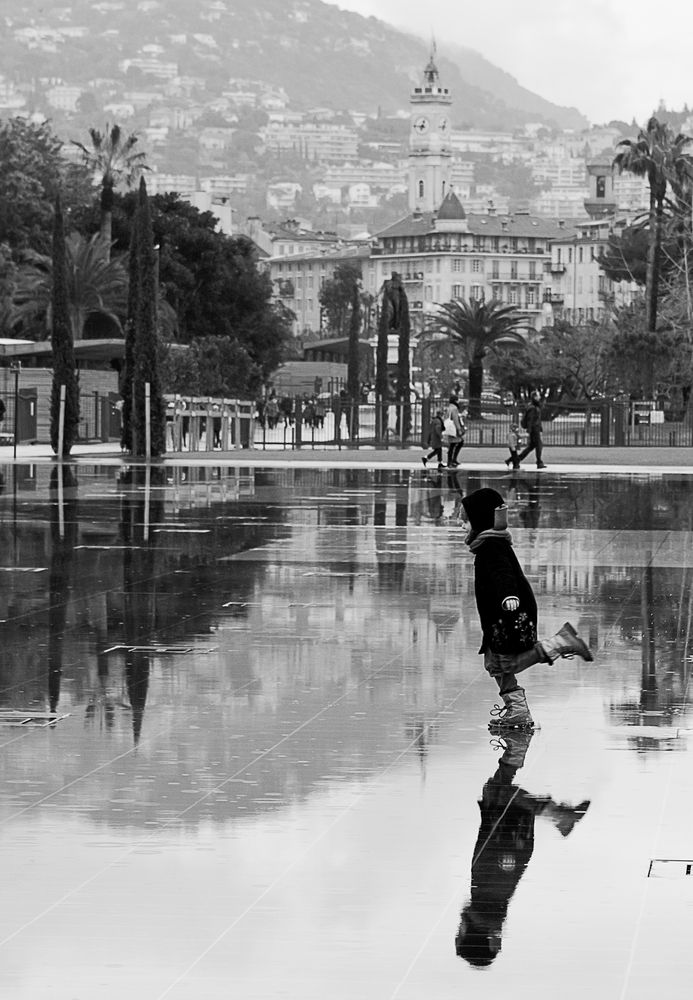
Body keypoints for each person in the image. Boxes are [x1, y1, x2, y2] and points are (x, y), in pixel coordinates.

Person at [460, 487, 593, 730]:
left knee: (507, 663)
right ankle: (517, 711)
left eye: (465, 520)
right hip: (497, 616)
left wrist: (509, 595)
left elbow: (504, 575)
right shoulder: (486, 545)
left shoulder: (492, 547)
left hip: (508, 612)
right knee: (494, 663)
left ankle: (561, 642)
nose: (461, 526)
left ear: (479, 520)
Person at [456, 731, 590, 967]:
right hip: (504, 849)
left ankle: (517, 745)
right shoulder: (488, 909)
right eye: (460, 935)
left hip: (502, 850)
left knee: (495, 790)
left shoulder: (487, 911)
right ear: (471, 935)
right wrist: (507, 845)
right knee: (500, 793)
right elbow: (503, 872)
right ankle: (561, 817)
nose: (458, 929)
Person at [517, 390, 546, 469]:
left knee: (532, 446)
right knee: (539, 445)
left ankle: (516, 459)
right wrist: (529, 431)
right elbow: (530, 420)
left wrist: (540, 428)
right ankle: (539, 462)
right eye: (538, 395)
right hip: (534, 430)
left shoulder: (535, 406)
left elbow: (537, 420)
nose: (539, 397)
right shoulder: (532, 408)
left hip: (536, 429)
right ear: (534, 397)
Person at [444, 396, 465, 468]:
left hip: (449, 428)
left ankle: (451, 461)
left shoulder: (448, 408)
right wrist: (459, 429)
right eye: (458, 400)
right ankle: (451, 461)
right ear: (455, 401)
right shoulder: (455, 409)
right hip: (453, 429)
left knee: (453, 444)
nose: (458, 401)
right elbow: (455, 420)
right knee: (456, 443)